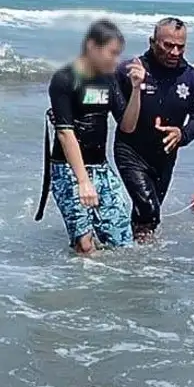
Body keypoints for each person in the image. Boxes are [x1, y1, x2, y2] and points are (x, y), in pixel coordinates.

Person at [41, 19, 144, 254]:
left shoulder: (109, 79)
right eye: (112, 53)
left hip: (101, 167)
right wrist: (83, 181)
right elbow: (66, 133)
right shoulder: (65, 79)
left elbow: (127, 126)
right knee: (84, 245)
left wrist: (136, 90)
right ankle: (84, 284)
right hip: (68, 168)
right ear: (92, 47)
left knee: (122, 243)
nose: (116, 60)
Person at [114, 17, 194, 240]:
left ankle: (133, 259)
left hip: (165, 156)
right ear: (152, 42)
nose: (175, 52)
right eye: (168, 45)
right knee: (149, 210)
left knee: (148, 219)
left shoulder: (190, 76)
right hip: (131, 152)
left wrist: (182, 134)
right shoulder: (129, 71)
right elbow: (119, 119)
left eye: (180, 46)